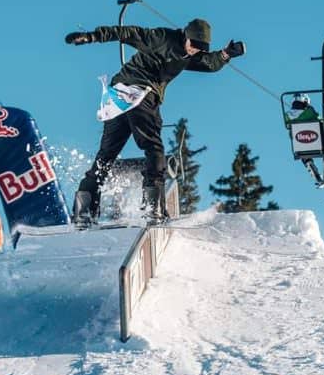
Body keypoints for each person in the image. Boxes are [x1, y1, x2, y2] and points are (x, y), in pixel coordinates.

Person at [64, 19, 245, 227]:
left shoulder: (189, 54)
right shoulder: (162, 38)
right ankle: (153, 207)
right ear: (185, 35)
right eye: (194, 45)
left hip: (117, 99)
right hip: (136, 94)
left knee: (106, 154)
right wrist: (92, 36)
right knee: (154, 149)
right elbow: (128, 32)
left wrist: (226, 54)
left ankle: (84, 209)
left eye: (200, 48)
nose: (195, 51)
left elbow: (209, 63)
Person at [285, 93, 323, 183]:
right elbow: (319, 119)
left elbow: (288, 125)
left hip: (300, 143)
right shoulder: (310, 112)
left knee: (302, 150)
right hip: (315, 140)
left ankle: (307, 161)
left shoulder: (287, 115)